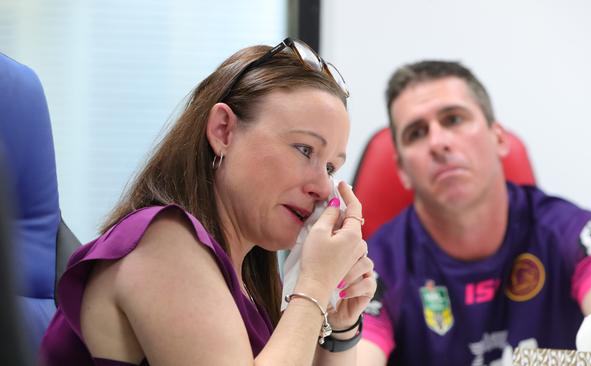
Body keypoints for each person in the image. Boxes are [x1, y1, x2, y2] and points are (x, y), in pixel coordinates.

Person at [39, 38, 376, 365]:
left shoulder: (250, 277)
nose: (322, 185)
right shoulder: (163, 242)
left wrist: (341, 323)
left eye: (331, 167)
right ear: (223, 130)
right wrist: (314, 285)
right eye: (305, 150)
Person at [356, 61, 591, 366]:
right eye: (416, 133)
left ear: (499, 138)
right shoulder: (373, 265)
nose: (438, 142)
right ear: (402, 171)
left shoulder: (578, 234)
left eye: (453, 119)